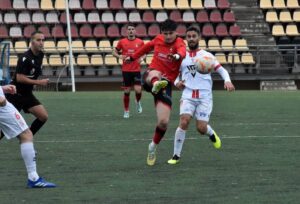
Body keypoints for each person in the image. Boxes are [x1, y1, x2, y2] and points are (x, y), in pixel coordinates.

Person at [167, 26, 235, 165]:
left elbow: (221, 70)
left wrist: (227, 81)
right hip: (187, 94)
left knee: (201, 128)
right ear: (186, 39)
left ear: (199, 38)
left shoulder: (207, 56)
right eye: (189, 36)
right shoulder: (181, 57)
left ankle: (211, 133)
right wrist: (176, 83)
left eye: (194, 36)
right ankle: (176, 155)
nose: (191, 39)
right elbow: (172, 74)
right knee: (184, 121)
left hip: (204, 96)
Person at [125, 19, 186, 166]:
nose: (168, 36)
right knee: (155, 73)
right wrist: (132, 57)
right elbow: (146, 48)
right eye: (165, 34)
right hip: (151, 76)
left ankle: (152, 147)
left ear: (176, 33)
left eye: (171, 33)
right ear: (161, 33)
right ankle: (155, 84)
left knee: (163, 122)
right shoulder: (158, 39)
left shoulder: (179, 43)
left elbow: (182, 52)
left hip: (166, 85)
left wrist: (177, 56)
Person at [0, 84, 56, 188]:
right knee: (26, 135)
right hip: (2, 109)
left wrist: (2, 88)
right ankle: (33, 178)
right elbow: (1, 101)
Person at [5, 31, 49, 137]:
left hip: (27, 94)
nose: (41, 42)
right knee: (3, 128)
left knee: (43, 116)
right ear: (32, 42)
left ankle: (28, 138)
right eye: (38, 40)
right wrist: (39, 82)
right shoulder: (25, 58)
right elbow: (19, 78)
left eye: (43, 40)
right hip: (14, 94)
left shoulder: (41, 55)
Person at [112, 23, 144, 118]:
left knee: (138, 91)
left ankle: (138, 102)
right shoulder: (122, 42)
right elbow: (114, 52)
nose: (131, 31)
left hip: (136, 70)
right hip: (126, 70)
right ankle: (126, 111)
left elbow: (144, 53)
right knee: (127, 92)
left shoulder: (140, 42)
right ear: (127, 31)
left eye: (132, 29)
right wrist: (119, 56)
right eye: (129, 29)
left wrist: (142, 58)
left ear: (135, 31)